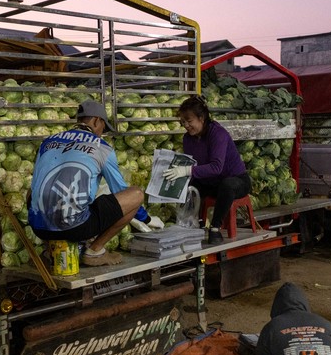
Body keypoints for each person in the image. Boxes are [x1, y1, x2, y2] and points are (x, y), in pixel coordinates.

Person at [28, 100, 162, 267]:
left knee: (33, 191)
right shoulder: (101, 147)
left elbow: (36, 185)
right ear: (97, 121)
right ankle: (95, 252)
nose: (101, 133)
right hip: (75, 228)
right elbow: (121, 190)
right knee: (135, 195)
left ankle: (50, 250)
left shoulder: (48, 142)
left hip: (38, 227)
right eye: (103, 129)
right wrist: (147, 219)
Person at [163, 95, 251, 244]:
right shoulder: (188, 138)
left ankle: (215, 228)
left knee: (227, 185)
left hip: (236, 181)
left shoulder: (218, 134)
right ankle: (189, 223)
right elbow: (193, 164)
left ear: (201, 118)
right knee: (190, 186)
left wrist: (186, 170)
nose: (186, 125)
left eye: (189, 121)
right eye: (183, 122)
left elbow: (216, 167)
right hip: (211, 182)